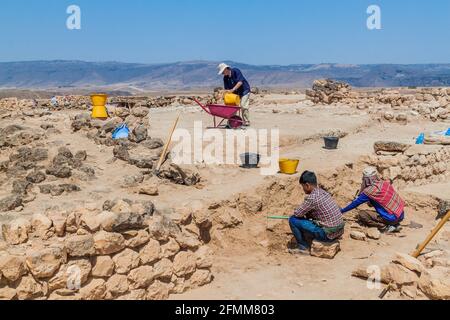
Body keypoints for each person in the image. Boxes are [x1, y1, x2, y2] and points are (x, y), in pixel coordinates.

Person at [289, 171, 345, 255]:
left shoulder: (312, 198)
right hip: (339, 230)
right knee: (308, 217)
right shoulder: (323, 192)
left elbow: (297, 214)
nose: (303, 189)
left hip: (328, 235)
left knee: (293, 220)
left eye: (303, 186)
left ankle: (303, 247)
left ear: (307, 185)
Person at [341, 167, 405, 233]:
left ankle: (384, 227)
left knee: (362, 214)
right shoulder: (385, 183)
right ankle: (396, 224)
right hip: (400, 214)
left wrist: (342, 211)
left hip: (391, 218)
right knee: (384, 210)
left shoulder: (369, 191)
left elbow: (354, 204)